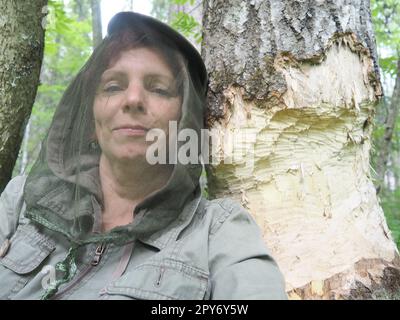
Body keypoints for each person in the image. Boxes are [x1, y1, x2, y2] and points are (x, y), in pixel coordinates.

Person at [0, 11, 287, 300]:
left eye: (159, 89)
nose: (133, 99)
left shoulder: (218, 232)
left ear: (185, 120)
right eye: (113, 86)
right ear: (91, 122)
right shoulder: (21, 200)